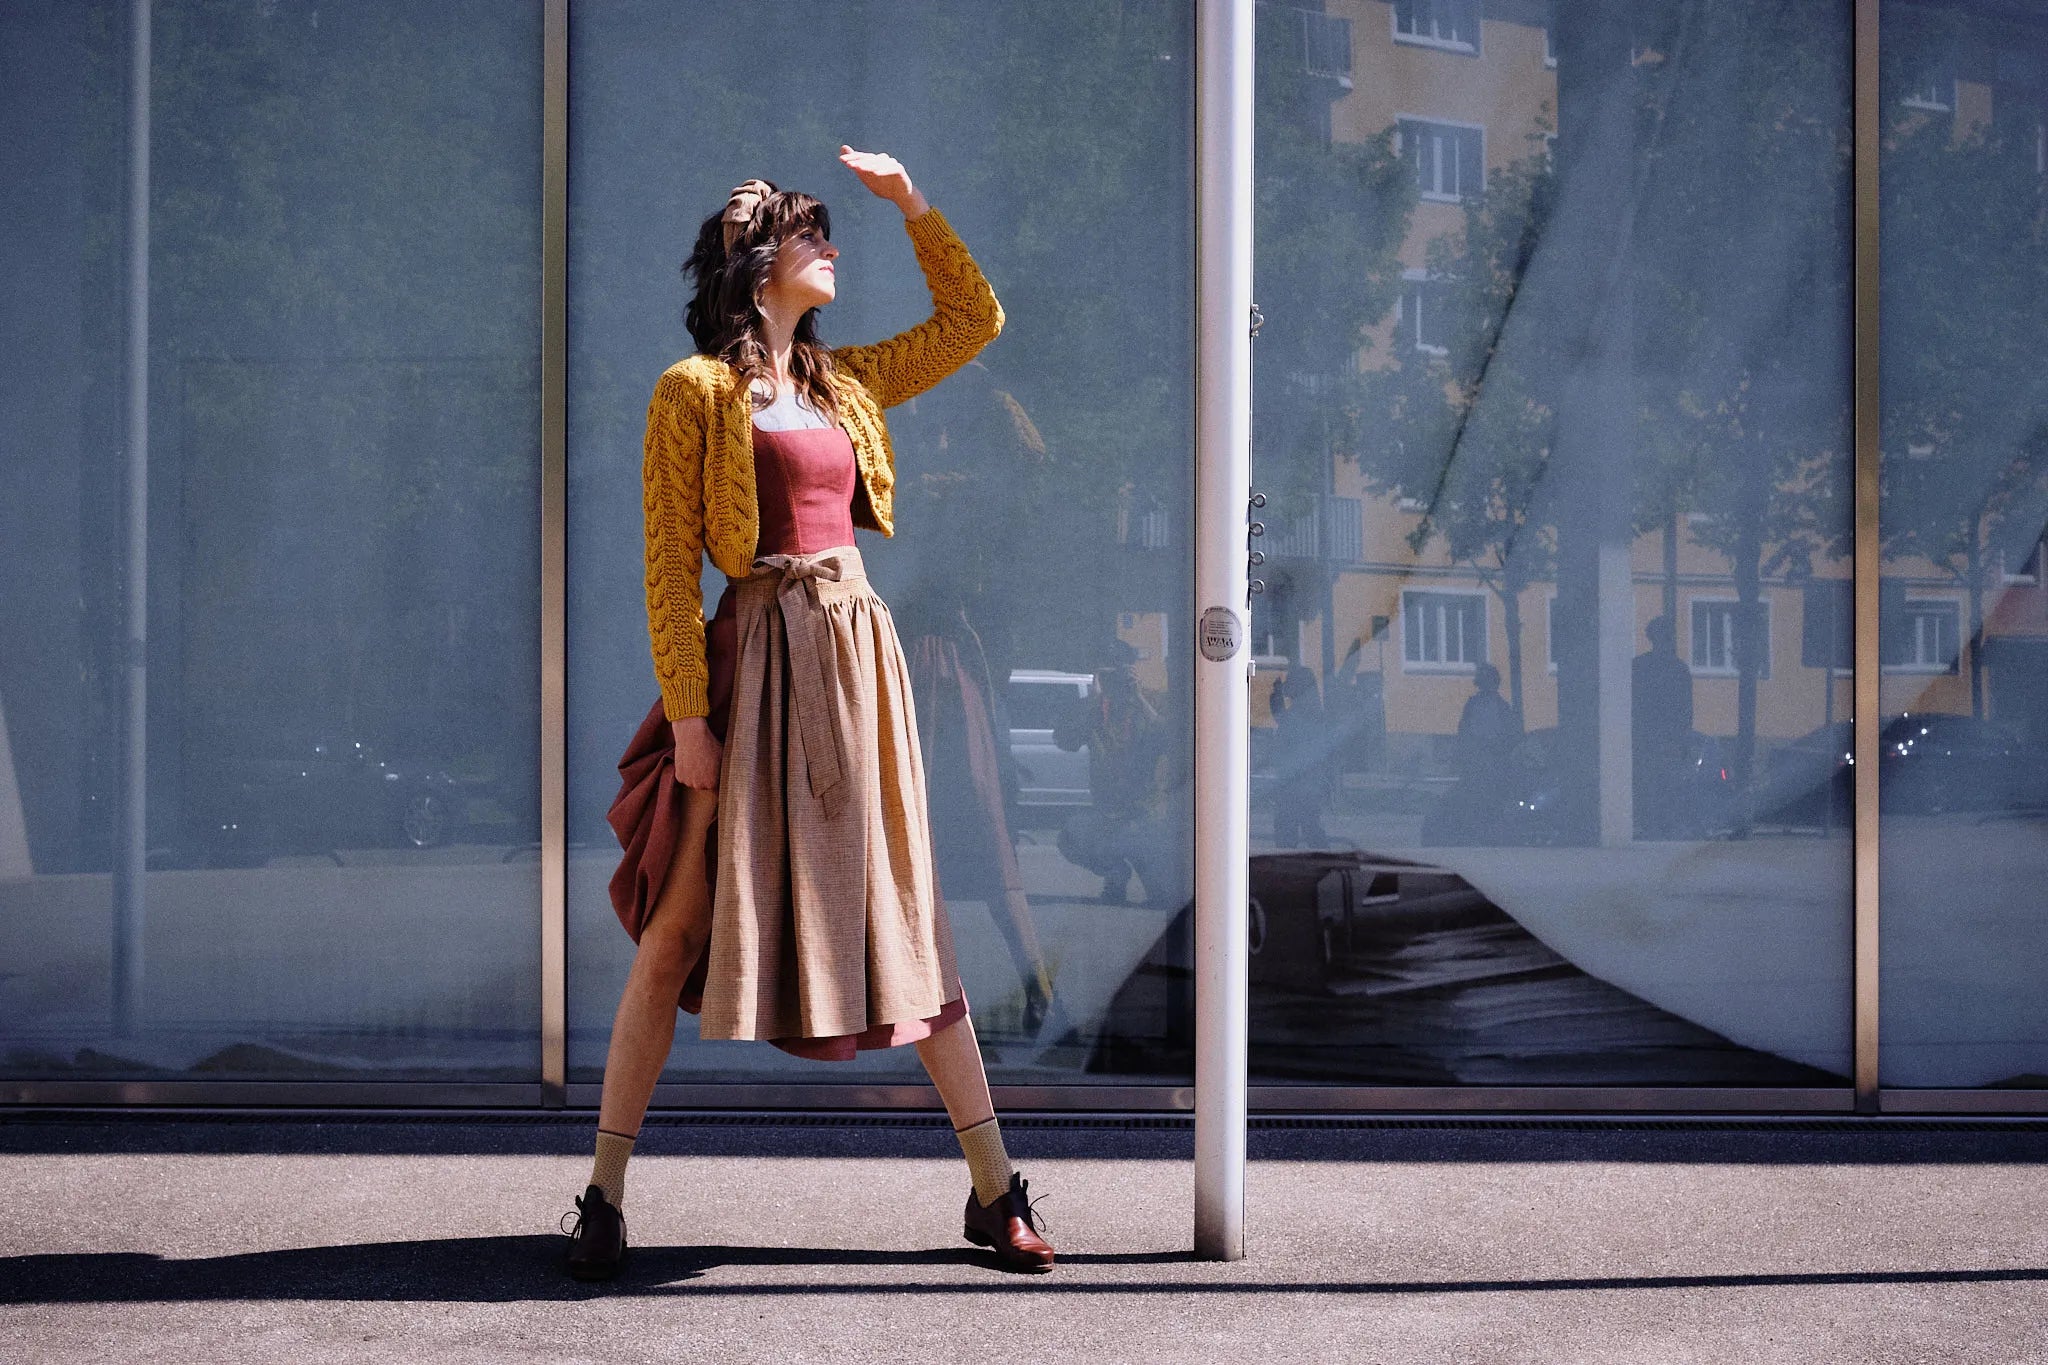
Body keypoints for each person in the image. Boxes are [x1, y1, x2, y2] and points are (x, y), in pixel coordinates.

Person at [566, 149, 1053, 1280]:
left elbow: (974, 319)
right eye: (812, 235)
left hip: (855, 658)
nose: (833, 249)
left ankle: (995, 1191)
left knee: (911, 924)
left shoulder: (848, 384)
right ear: (756, 265)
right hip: (754, 664)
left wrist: (912, 201)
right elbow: (664, 571)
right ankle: (601, 1193)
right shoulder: (690, 392)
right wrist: (687, 717)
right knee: (677, 925)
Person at [1053, 640, 1173, 905]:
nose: (1114, 682)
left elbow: (1168, 739)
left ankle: (1148, 871)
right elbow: (1064, 740)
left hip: (1148, 814)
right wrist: (1093, 701)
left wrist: (1138, 697)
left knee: (1161, 896)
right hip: (1107, 813)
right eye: (1108, 674)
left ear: (1132, 670)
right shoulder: (1093, 710)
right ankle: (1115, 873)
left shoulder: (1150, 702)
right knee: (1070, 838)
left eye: (1120, 673)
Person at [1631, 615, 1695, 838]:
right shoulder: (1678, 670)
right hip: (1659, 741)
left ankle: (1657, 826)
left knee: (1657, 786)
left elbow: (1686, 711)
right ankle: (1661, 826)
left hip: (1653, 741)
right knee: (1662, 786)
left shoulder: (1640, 667)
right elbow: (1686, 712)